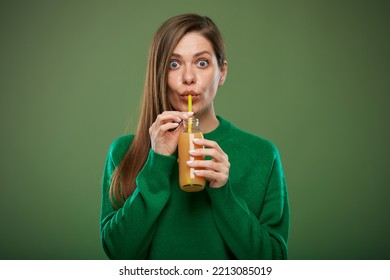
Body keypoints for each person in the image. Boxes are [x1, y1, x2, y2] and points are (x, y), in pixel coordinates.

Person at [100, 13, 289, 260]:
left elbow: (273, 261)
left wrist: (224, 193)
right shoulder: (125, 151)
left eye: (201, 63)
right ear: (159, 73)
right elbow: (118, 253)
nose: (188, 77)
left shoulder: (262, 155)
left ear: (221, 72)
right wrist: (156, 164)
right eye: (174, 64)